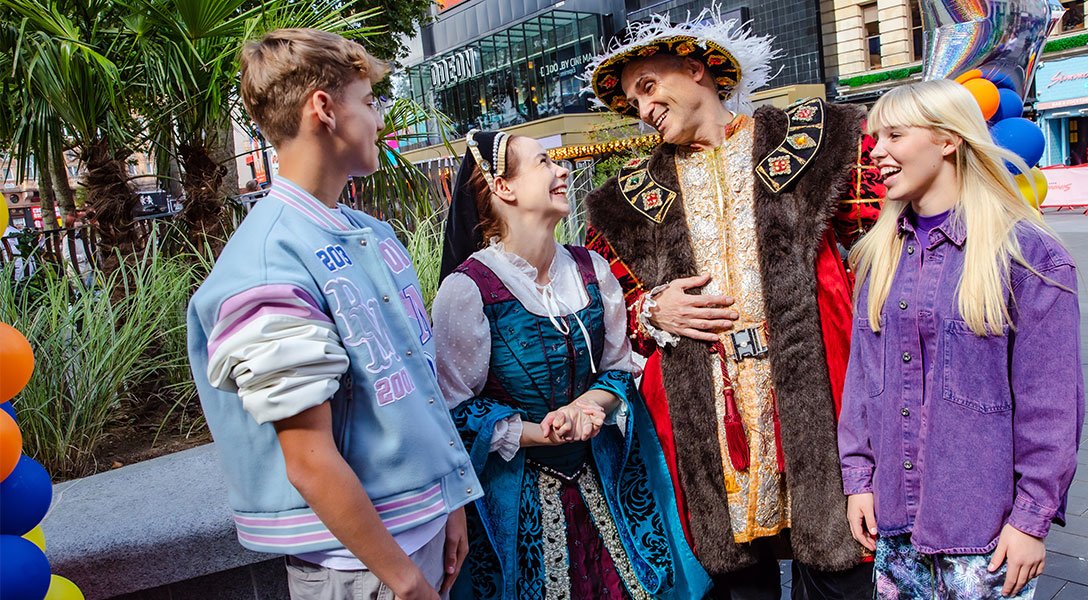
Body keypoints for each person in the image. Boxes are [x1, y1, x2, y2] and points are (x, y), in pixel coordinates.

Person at [580, 9, 884, 599]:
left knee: (840, 576)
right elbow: (611, 308)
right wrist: (651, 312)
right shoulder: (625, 204)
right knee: (739, 583)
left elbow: (885, 231)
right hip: (712, 424)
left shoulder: (813, 143)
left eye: (648, 87)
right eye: (631, 101)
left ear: (696, 70)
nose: (643, 109)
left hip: (819, 398)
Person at [187, 28, 481, 600]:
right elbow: (310, 460)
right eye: (368, 102)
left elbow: (416, 382)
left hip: (411, 539)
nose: (378, 120)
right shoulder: (270, 262)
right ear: (323, 107)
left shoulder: (369, 232)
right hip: (357, 566)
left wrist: (450, 504)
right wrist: (401, 580)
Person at [434, 130, 710, 599]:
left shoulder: (590, 270)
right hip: (518, 493)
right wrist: (541, 431)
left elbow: (619, 368)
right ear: (504, 187)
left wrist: (588, 402)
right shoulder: (468, 291)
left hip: (603, 478)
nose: (562, 171)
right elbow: (455, 410)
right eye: (544, 163)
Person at [839, 79, 1084, 599]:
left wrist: (1032, 520)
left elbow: (1053, 404)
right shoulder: (875, 255)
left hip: (986, 534)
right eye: (874, 138)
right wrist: (858, 480)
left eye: (894, 136)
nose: (876, 152)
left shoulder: (1028, 256)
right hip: (895, 524)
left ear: (948, 140)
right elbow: (862, 383)